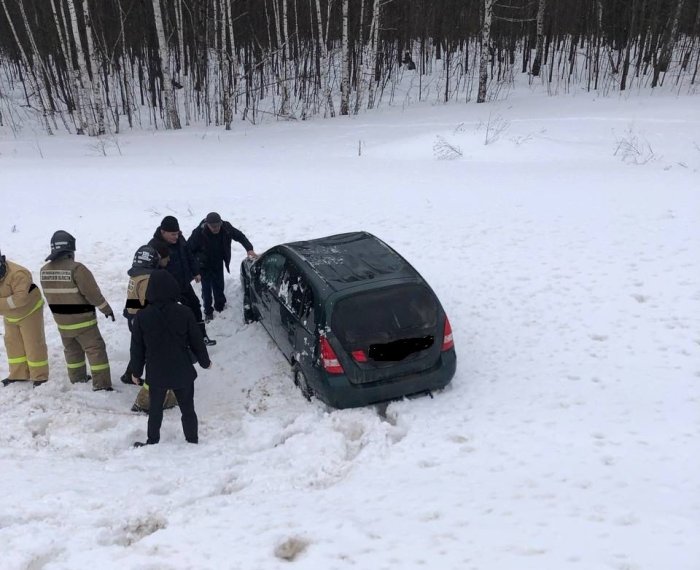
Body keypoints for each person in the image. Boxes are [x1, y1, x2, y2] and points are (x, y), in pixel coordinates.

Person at [130, 270, 211, 447]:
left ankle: (153, 440)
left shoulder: (142, 317)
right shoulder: (185, 312)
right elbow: (197, 341)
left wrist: (135, 371)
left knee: (155, 410)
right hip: (182, 371)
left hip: (156, 373)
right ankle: (192, 440)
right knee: (188, 409)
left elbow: (137, 349)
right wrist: (205, 362)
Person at [40, 231, 114, 391]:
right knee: (95, 351)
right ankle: (101, 385)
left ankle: (77, 378)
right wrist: (106, 309)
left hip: (62, 323)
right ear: (70, 250)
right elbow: (92, 293)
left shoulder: (44, 270)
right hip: (83, 322)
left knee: (72, 351)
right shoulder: (77, 269)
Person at [121, 244, 177, 413]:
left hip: (134, 318)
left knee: (140, 349)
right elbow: (151, 302)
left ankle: (130, 374)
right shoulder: (146, 280)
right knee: (154, 356)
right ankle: (145, 401)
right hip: (146, 323)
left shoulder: (135, 276)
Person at [149, 216, 216, 346]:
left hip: (184, 283)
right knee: (175, 315)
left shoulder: (180, 239)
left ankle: (201, 337)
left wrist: (195, 271)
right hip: (167, 291)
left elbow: (188, 255)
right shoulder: (154, 246)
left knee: (195, 306)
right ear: (163, 232)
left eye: (177, 233)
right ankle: (180, 343)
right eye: (172, 234)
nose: (176, 237)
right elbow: (151, 272)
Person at [188, 212, 257, 321]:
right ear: (207, 224)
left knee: (219, 285)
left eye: (218, 225)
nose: (216, 228)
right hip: (203, 265)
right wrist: (194, 270)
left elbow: (239, 236)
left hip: (218, 261)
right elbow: (189, 250)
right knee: (206, 290)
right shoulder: (198, 233)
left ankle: (219, 305)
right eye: (213, 226)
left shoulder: (226, 228)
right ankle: (208, 311)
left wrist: (249, 248)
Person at [0, 250, 49, 387]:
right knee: (12, 344)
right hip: (10, 314)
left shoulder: (19, 274)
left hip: (29, 311)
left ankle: (39, 376)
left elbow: (19, 300)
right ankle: (18, 374)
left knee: (33, 343)